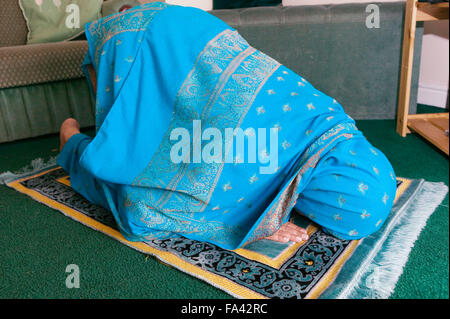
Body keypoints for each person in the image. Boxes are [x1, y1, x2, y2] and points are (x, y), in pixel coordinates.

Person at [57, 2, 397, 250]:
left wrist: (273, 204)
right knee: (138, 195)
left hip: (190, 28)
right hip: (142, 44)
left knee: (146, 125)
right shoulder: (255, 148)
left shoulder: (331, 119)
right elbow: (169, 202)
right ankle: (72, 141)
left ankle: (111, 123)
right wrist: (257, 222)